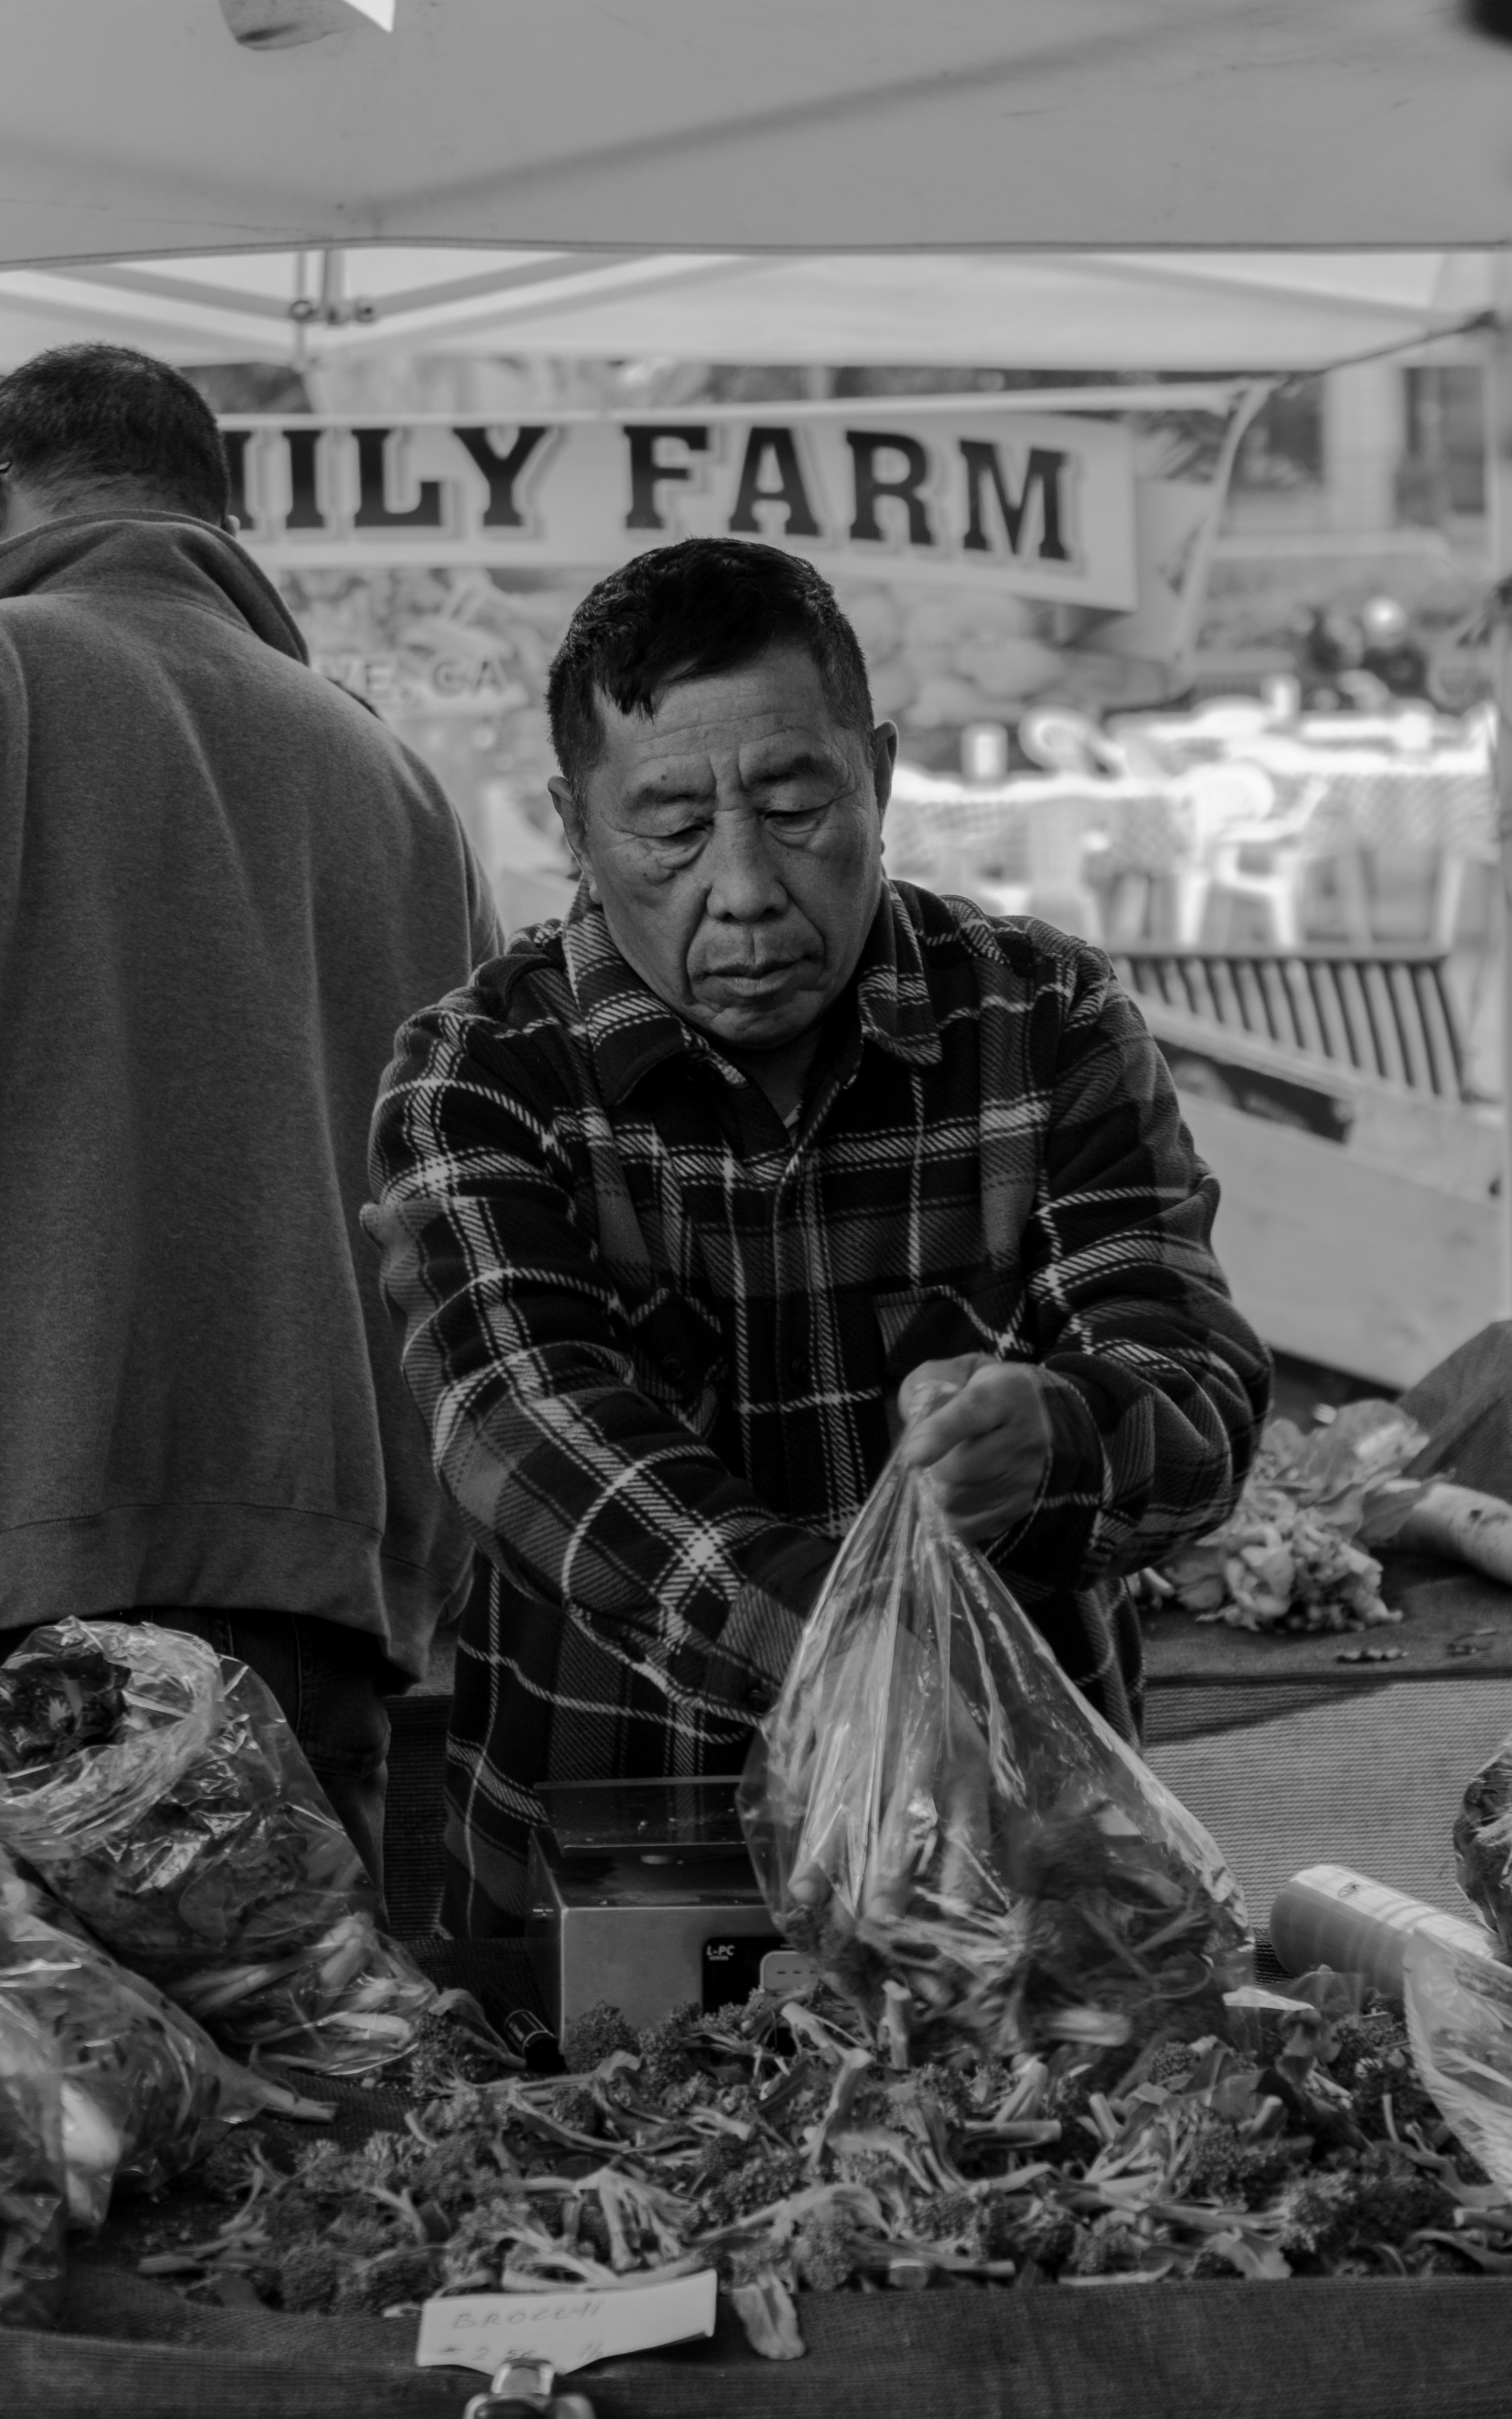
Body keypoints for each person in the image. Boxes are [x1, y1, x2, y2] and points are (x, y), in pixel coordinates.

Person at [367, 538, 1271, 1936]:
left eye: (795, 806)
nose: (742, 887)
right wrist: (853, 1650)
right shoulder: (482, 1075)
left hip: (1014, 1894)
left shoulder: (1041, 1022)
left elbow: (1194, 1382)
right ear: (573, 826)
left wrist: (1060, 1437)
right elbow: (526, 1426)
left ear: (880, 777)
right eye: (670, 828)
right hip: (613, 1892)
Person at [0, 344, 501, 1896]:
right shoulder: (397, 778)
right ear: (217, 518)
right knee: (305, 2050)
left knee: (59, 2064)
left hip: (30, 1598)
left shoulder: (14, 674)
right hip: (323, 1612)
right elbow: (477, 1225)